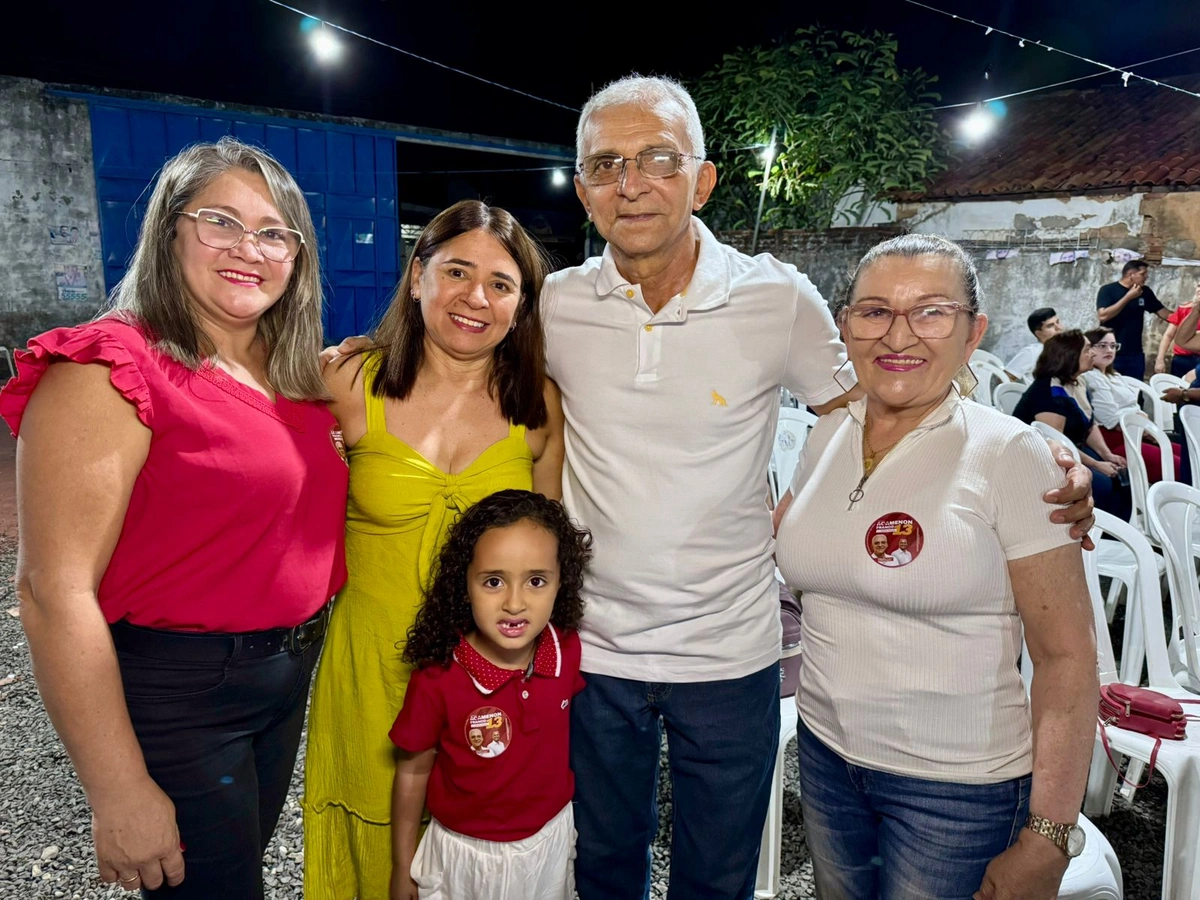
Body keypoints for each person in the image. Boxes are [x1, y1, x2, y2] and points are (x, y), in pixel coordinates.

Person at [544, 75, 1097, 900]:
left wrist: (1020, 451)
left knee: (718, 879)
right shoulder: (556, 304)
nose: (631, 183)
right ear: (582, 188)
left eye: (658, 158)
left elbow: (876, 392)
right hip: (594, 650)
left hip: (731, 654)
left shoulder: (776, 297)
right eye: (606, 164)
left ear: (702, 180)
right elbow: (464, 359)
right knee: (601, 868)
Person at [1, 137, 349, 897]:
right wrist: (117, 789)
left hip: (285, 674)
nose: (247, 249)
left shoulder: (290, 375)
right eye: (219, 221)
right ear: (169, 230)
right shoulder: (110, 367)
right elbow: (51, 593)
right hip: (186, 693)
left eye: (273, 232)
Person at [774, 234, 1098, 899]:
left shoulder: (1010, 455)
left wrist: (1051, 832)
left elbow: (1068, 658)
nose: (899, 334)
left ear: (973, 330)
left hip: (957, 790)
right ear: (846, 325)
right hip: (827, 761)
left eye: (931, 311)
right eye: (874, 311)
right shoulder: (826, 432)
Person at [304, 200, 565, 900]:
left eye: (501, 284)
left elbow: (551, 567)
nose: (475, 298)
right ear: (417, 275)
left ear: (522, 305)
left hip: (489, 687)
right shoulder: (347, 383)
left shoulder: (537, 405)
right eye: (456, 270)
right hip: (370, 675)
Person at [389, 490, 590, 900]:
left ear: (560, 581)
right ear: (465, 583)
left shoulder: (567, 650)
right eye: (494, 581)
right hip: (461, 858)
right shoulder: (437, 678)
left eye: (536, 581)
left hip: (547, 849)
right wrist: (401, 866)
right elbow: (412, 773)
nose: (514, 603)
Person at [1014, 331, 1131, 520]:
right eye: (1086, 349)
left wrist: (1106, 454)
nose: (1092, 353)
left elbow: (1089, 426)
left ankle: (1121, 530)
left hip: (1073, 448)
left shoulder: (1077, 382)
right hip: (1046, 458)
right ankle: (1102, 532)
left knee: (1121, 474)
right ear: (1069, 355)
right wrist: (1095, 464)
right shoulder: (1050, 393)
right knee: (1101, 483)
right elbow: (1055, 442)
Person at [1084, 326, 1182, 483]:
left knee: (1190, 457)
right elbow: (1111, 419)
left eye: (1113, 346)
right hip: (1116, 439)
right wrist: (1146, 429)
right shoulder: (1091, 377)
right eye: (1102, 346)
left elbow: (1135, 408)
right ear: (1088, 349)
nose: (1109, 350)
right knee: (1179, 467)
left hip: (1139, 432)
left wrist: (1147, 428)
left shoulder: (1114, 375)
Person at [1096, 259, 1167, 379]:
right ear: (1130, 274)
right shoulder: (1108, 290)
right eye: (1143, 274)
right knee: (1110, 389)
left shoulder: (1145, 292)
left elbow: (1164, 313)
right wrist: (1128, 297)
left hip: (1135, 352)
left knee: (1135, 391)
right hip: (1110, 351)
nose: (1146, 277)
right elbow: (1103, 316)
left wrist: (1188, 315)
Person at [1005, 307, 1063, 381]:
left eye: (1057, 322)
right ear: (1038, 333)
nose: (1058, 327)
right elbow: (1005, 377)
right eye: (1050, 326)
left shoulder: (1064, 349)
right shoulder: (1031, 352)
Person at [1153, 285, 1200, 377]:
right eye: (1199, 286)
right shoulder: (1184, 309)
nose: (1199, 289)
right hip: (1182, 359)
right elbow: (1168, 335)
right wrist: (1160, 359)